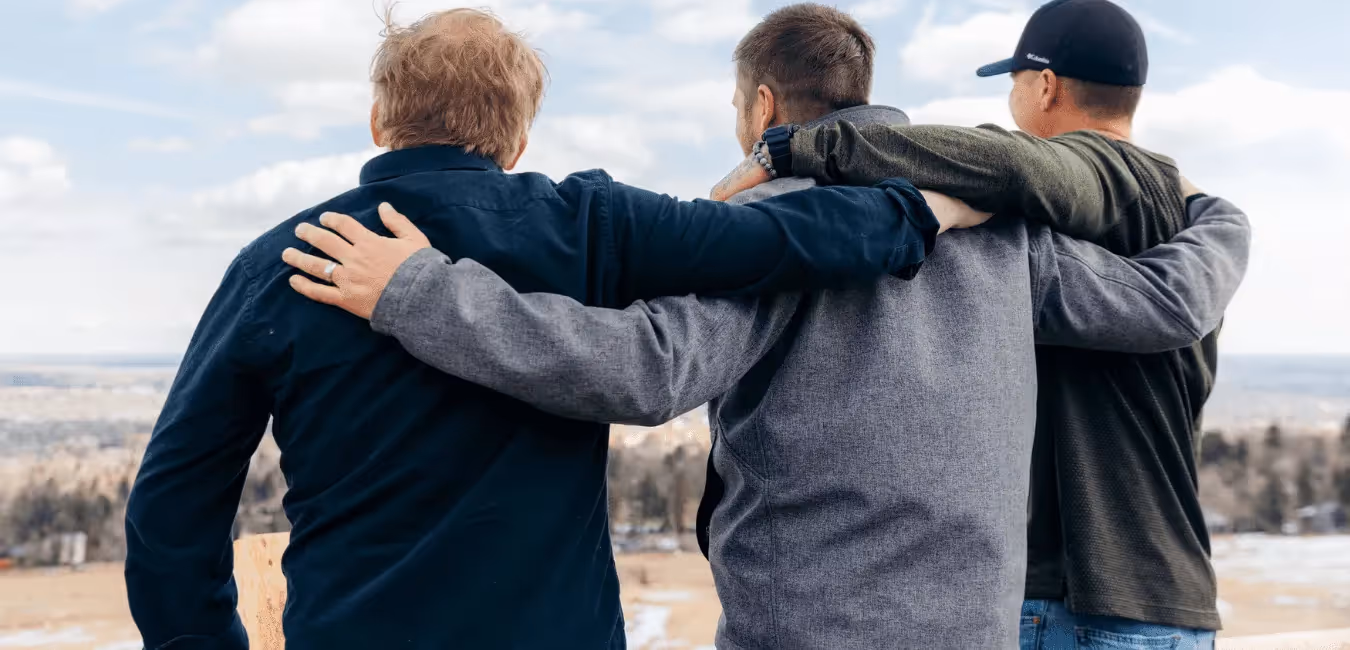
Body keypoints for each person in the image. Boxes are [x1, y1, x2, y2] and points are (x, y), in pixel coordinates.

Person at [281, 4, 1250, 648]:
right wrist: (1217, 216)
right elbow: (1162, 304)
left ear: (763, 105)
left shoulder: (767, 230)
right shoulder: (999, 228)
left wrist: (421, 294)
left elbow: (641, 371)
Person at [122, 9, 958, 650]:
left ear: (380, 120)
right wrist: (935, 203)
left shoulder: (283, 264)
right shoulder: (589, 225)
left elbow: (172, 509)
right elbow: (783, 240)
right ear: (519, 136)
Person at [711, 1, 1231, 647]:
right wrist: (1224, 217)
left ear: (1047, 86)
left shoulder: (1084, 174)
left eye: (1015, 80)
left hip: (1077, 599)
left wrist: (798, 149)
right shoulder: (1184, 213)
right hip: (1173, 591)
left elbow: (1008, 161)